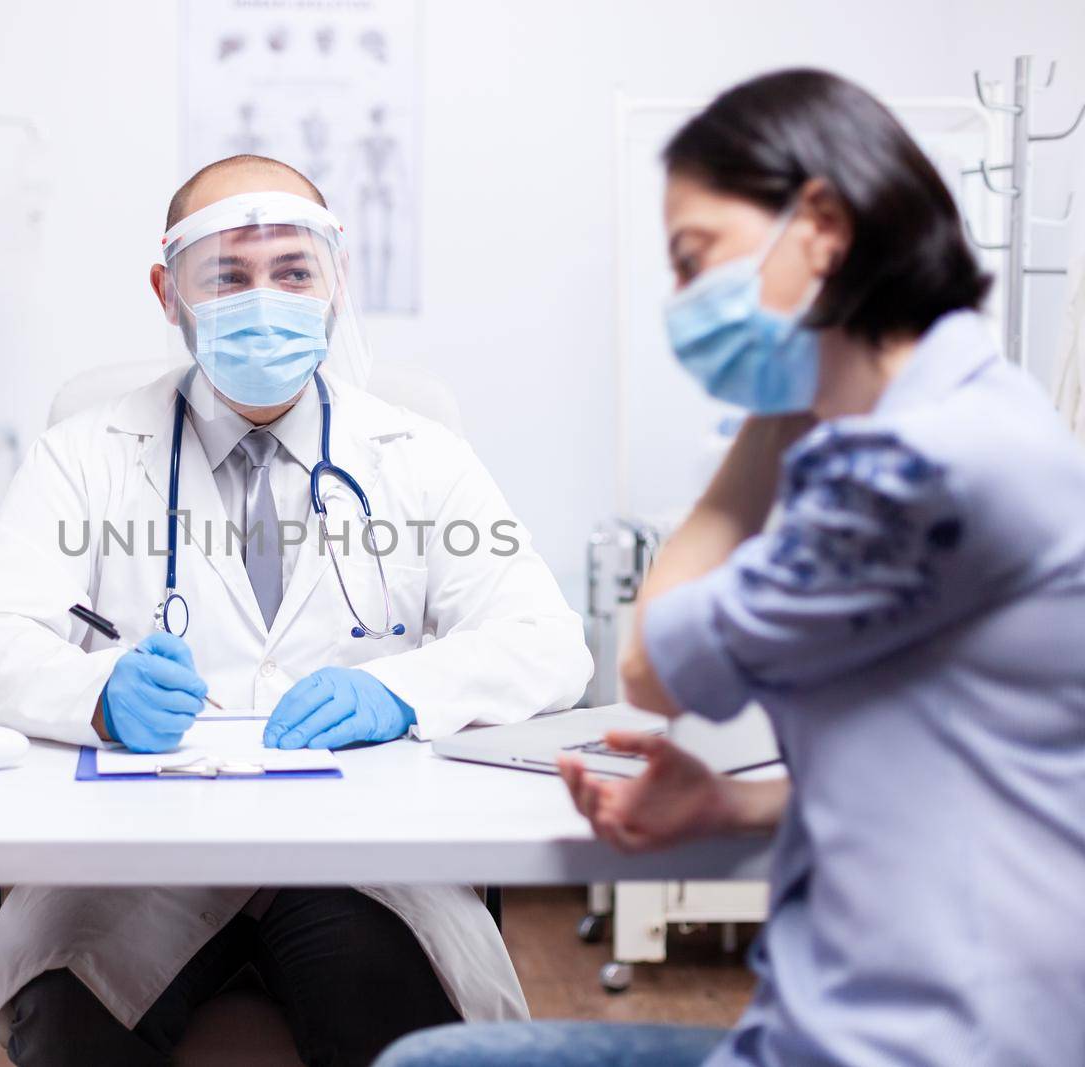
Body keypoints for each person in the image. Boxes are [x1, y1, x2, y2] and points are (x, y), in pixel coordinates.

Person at [374, 68, 1085, 1067]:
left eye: (694, 258)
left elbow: (649, 669)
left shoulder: (906, 464)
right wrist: (738, 804)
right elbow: (961, 767)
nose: (680, 302)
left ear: (822, 227)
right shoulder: (987, 411)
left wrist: (768, 417)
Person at [0, 154, 594, 1066]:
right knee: (72, 1016)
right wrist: (95, 693)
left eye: (291, 271)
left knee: (386, 1005)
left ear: (335, 283)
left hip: (359, 857)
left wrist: (400, 693)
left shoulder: (419, 454)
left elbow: (549, 642)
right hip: (136, 854)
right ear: (169, 292)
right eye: (228, 275)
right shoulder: (82, 453)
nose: (265, 298)